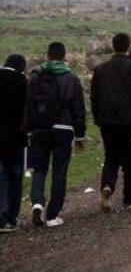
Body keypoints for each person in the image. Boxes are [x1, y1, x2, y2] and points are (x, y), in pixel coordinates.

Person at [25, 42, 86, 228]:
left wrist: (28, 129)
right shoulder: (71, 78)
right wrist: (80, 135)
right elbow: (78, 109)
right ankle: (52, 215)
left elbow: (27, 105)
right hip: (63, 129)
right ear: (64, 56)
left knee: (39, 169)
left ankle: (37, 202)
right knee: (60, 172)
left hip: (39, 129)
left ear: (47, 55)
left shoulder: (35, 76)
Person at [92, 33, 131, 212]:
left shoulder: (100, 69)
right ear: (128, 46)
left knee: (111, 157)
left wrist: (98, 118)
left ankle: (107, 186)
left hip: (107, 122)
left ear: (113, 46)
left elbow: (94, 97)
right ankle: (129, 199)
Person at [0, 55, 28, 233]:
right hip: (16, 139)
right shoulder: (23, 83)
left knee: (0, 177)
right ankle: (12, 218)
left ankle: (0, 219)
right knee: (15, 178)